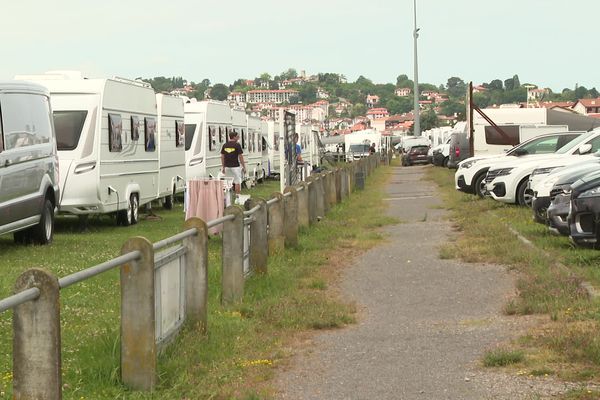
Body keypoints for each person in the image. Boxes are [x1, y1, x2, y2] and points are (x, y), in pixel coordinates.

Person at [221, 131, 246, 196]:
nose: (238, 137)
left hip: (227, 167)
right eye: (237, 136)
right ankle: (237, 196)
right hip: (235, 166)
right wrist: (243, 166)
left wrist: (223, 167)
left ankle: (227, 196)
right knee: (237, 181)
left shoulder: (225, 145)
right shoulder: (237, 145)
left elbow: (222, 156)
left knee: (227, 182)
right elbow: (240, 156)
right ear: (234, 137)